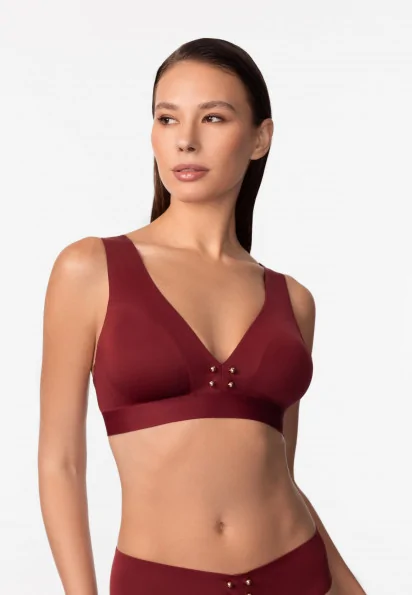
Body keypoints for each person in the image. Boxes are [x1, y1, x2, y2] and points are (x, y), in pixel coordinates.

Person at [38, 38, 366, 595]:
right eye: (167, 118)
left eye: (213, 117)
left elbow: (278, 474)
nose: (185, 139)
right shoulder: (90, 268)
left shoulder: (293, 301)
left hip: (298, 576)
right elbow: (61, 461)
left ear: (260, 138)